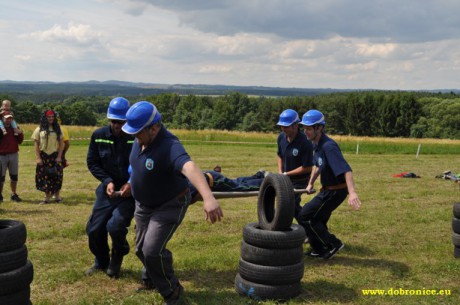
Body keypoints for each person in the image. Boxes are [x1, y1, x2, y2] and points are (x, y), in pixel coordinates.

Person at [121, 101, 223, 305]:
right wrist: (132, 183)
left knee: (152, 250)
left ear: (155, 127)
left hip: (169, 204)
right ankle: (150, 278)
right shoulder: (142, 139)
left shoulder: (170, 145)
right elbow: (138, 167)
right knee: (141, 249)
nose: (134, 136)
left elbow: (189, 167)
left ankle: (172, 291)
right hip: (143, 204)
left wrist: (208, 197)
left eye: (138, 132)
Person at [299, 109, 361, 259]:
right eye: (304, 128)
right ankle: (319, 248)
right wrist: (310, 183)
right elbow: (317, 165)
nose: (305, 131)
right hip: (327, 189)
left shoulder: (329, 147)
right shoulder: (316, 144)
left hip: (335, 191)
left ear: (319, 128)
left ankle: (333, 244)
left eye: (309, 128)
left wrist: (352, 192)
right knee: (318, 218)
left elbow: (346, 170)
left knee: (306, 215)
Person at [85, 97, 135, 279]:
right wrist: (107, 181)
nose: (117, 125)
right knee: (94, 229)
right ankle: (101, 261)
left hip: (129, 192)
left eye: (121, 122)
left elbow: (142, 164)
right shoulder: (98, 136)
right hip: (108, 189)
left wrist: (131, 182)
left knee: (115, 226)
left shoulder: (136, 137)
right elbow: (92, 162)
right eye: (114, 121)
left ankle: (118, 255)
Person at [276, 109, 314, 223]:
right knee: (291, 205)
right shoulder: (281, 137)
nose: (283, 129)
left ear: (296, 125)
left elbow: (307, 167)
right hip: (285, 178)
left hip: (300, 180)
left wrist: (286, 174)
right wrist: (280, 171)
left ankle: (308, 228)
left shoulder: (305, 142)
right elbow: (279, 155)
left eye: (286, 126)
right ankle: (308, 228)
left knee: (290, 203)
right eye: (281, 126)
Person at [32, 109, 64, 204]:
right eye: (49, 117)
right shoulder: (39, 129)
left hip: (55, 156)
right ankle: (46, 198)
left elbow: (61, 143)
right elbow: (36, 144)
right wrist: (38, 158)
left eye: (52, 117)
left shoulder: (58, 129)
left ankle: (57, 196)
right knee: (44, 176)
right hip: (43, 156)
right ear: (45, 118)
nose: (51, 119)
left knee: (57, 176)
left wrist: (59, 156)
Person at [189, 169, 266, 203]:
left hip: (214, 181)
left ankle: (266, 181)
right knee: (235, 182)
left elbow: (190, 199)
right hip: (210, 176)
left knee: (239, 187)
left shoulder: (184, 189)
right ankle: (259, 176)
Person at [0, 111, 23, 203]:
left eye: (10, 118)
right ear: (2, 118)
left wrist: (20, 133)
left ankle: (13, 194)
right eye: (6, 118)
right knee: (1, 177)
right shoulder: (0, 129)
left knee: (14, 176)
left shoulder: (15, 128)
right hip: (1, 155)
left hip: (13, 154)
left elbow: (20, 141)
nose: (8, 120)